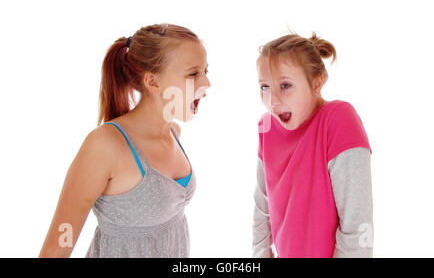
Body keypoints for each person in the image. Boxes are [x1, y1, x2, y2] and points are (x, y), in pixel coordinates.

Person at [39, 23, 210, 257]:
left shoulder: (173, 133)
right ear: (152, 82)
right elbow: (57, 246)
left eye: (205, 72)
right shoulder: (105, 145)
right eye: (193, 74)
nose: (206, 84)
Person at [252, 30, 373, 257]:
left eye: (285, 85)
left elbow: (357, 224)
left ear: (316, 83)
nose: (272, 101)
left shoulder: (338, 119)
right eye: (264, 87)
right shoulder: (266, 126)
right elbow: (262, 207)